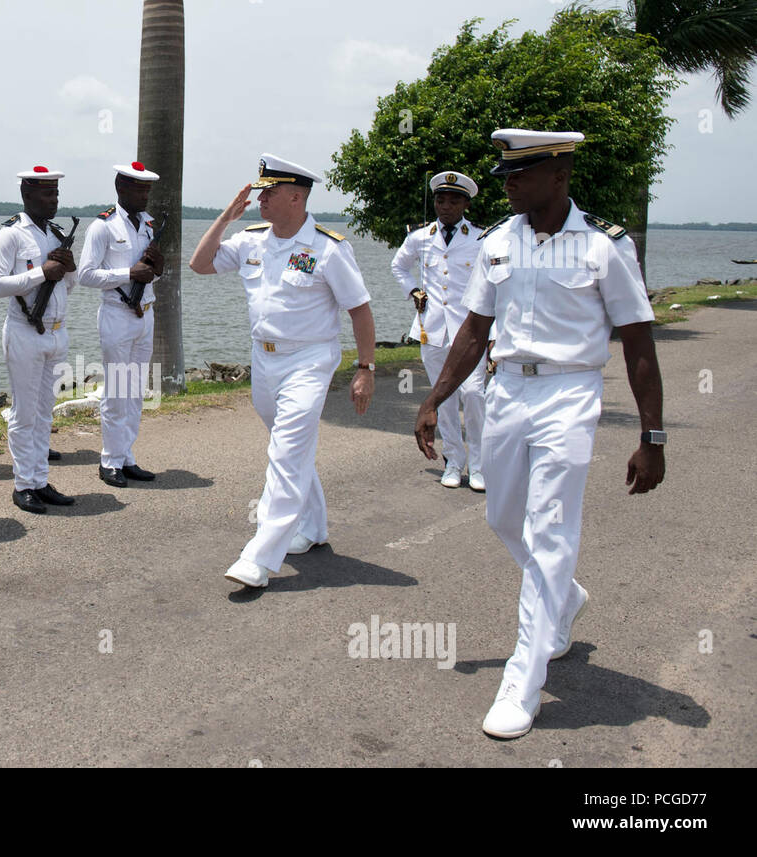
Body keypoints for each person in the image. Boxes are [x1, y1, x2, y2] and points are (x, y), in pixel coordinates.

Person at [414, 129, 665, 739]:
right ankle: (564, 596)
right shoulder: (499, 241)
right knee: (502, 517)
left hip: (570, 393)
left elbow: (637, 345)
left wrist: (653, 438)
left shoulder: (605, 247)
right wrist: (435, 399)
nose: (507, 184)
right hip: (507, 392)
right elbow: (474, 329)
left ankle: (521, 684)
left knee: (550, 529)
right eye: (504, 174)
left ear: (558, 175)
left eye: (519, 174)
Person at [189, 154, 376, 589]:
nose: (260, 198)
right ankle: (313, 528)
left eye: (269, 192)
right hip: (264, 358)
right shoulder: (252, 240)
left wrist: (365, 367)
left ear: (296, 197)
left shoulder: (329, 248)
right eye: (260, 191)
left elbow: (360, 311)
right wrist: (224, 217)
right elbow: (200, 263)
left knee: (285, 453)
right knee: (289, 448)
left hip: (309, 359)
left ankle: (259, 555)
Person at [0, 165, 79, 514]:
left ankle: (40, 480)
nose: (53, 200)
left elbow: (69, 287)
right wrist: (40, 271)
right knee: (24, 413)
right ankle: (23, 484)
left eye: (56, 193)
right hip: (25, 331)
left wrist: (67, 269)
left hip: (56, 332)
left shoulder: (55, 236)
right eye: (46, 193)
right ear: (26, 195)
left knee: (44, 413)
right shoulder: (10, 235)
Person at [391, 171, 488, 490]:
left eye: (454, 200)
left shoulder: (480, 238)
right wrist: (413, 291)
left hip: (469, 331)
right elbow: (398, 265)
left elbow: (493, 284)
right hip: (432, 330)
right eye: (441, 200)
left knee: (474, 394)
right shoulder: (420, 236)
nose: (446, 206)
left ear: (466, 205)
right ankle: (453, 461)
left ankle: (479, 464)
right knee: (443, 399)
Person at [78, 161, 165, 488]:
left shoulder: (149, 225)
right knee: (116, 390)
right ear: (121, 188)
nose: (145, 195)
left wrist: (159, 268)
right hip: (116, 313)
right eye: (139, 188)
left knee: (135, 390)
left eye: (147, 189)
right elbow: (86, 274)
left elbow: (154, 272)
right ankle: (109, 461)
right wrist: (128, 274)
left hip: (146, 313)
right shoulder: (102, 226)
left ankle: (126, 456)